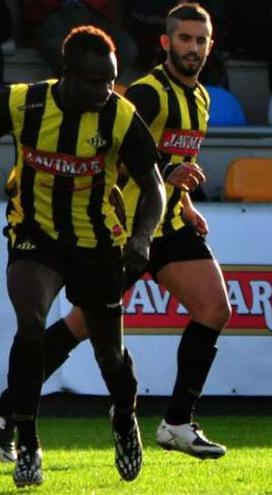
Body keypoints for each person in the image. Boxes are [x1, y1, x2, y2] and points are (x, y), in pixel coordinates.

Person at [0, 3, 230, 463]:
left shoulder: (201, 98)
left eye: (200, 40)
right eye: (184, 39)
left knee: (215, 308)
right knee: (81, 329)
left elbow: (166, 169)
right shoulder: (143, 96)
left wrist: (183, 202)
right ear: (165, 43)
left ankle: (178, 422)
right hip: (118, 228)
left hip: (166, 225)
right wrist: (168, 178)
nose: (193, 48)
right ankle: (11, 414)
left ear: (210, 45)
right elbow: (130, 158)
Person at [0, 26, 166, 486]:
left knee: (111, 356)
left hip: (97, 241)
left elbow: (153, 187)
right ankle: (27, 440)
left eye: (111, 80)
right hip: (35, 232)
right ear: (66, 74)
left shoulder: (120, 115)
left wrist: (142, 237)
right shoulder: (23, 103)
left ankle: (124, 418)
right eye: (95, 81)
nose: (105, 91)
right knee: (31, 325)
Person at [24, 0, 139, 78]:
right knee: (60, 49)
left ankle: (100, 89)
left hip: (93, 12)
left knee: (127, 47)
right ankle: (75, 92)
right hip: (56, 12)